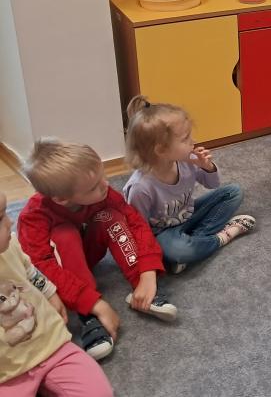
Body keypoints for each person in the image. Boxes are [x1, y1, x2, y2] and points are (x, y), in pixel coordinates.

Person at [17, 138, 174, 361]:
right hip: (61, 268)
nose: (106, 185)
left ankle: (142, 287)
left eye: (103, 176)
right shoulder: (33, 217)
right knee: (64, 233)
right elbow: (41, 268)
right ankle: (88, 317)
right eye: (94, 186)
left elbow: (136, 223)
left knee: (110, 215)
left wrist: (147, 273)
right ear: (61, 199)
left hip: (90, 251)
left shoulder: (104, 193)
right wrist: (92, 303)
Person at [123, 96, 255, 274]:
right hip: (163, 233)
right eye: (185, 139)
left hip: (189, 215)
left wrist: (207, 167)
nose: (192, 141)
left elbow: (213, 184)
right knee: (179, 250)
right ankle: (222, 237)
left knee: (233, 193)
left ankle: (195, 241)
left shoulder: (187, 160)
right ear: (161, 149)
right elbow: (139, 230)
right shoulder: (140, 187)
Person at [0, 191, 113, 396]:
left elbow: (30, 271)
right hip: (6, 374)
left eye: (5, 213)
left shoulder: (10, 246)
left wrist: (50, 292)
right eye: (0, 219)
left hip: (50, 345)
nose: (10, 222)